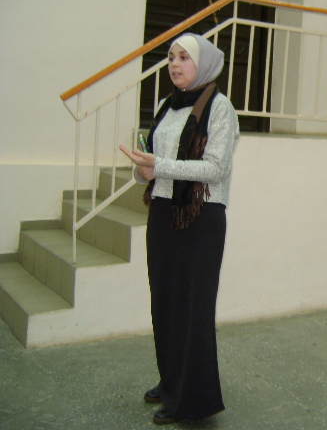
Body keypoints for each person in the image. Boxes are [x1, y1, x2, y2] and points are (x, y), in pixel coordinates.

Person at [120, 33, 239, 425]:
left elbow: (215, 168)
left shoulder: (220, 108)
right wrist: (143, 172)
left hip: (200, 217)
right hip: (163, 212)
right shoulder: (167, 105)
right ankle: (171, 380)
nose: (174, 64)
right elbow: (155, 166)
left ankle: (192, 400)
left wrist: (159, 166)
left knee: (193, 309)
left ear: (203, 64)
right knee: (166, 302)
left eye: (184, 57)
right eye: (171, 57)